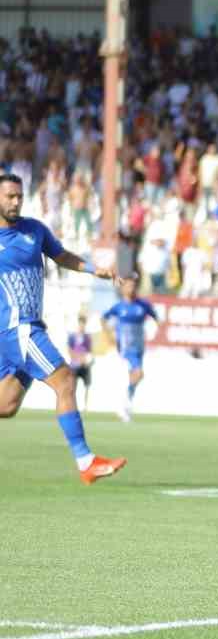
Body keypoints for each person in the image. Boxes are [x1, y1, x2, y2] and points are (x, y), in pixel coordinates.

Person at [0, 173, 125, 483]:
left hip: (25, 329)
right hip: (18, 329)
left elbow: (62, 256)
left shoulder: (34, 230)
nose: (16, 202)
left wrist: (96, 270)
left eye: (19, 196)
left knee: (6, 405)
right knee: (66, 380)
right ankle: (86, 462)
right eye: (9, 197)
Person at [103, 276, 160, 422]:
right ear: (123, 288)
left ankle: (125, 405)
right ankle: (125, 402)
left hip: (139, 345)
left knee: (134, 375)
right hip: (125, 346)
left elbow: (156, 317)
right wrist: (109, 335)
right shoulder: (119, 307)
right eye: (128, 285)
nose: (131, 288)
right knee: (138, 373)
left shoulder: (143, 305)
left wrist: (156, 331)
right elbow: (104, 318)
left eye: (134, 285)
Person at [66, 314, 93, 410]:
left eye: (83, 324)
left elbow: (89, 351)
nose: (82, 326)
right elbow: (69, 350)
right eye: (80, 324)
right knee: (73, 385)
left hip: (85, 365)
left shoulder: (87, 337)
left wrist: (87, 360)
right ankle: (73, 405)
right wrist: (78, 359)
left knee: (87, 385)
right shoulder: (72, 336)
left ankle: (85, 406)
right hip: (74, 365)